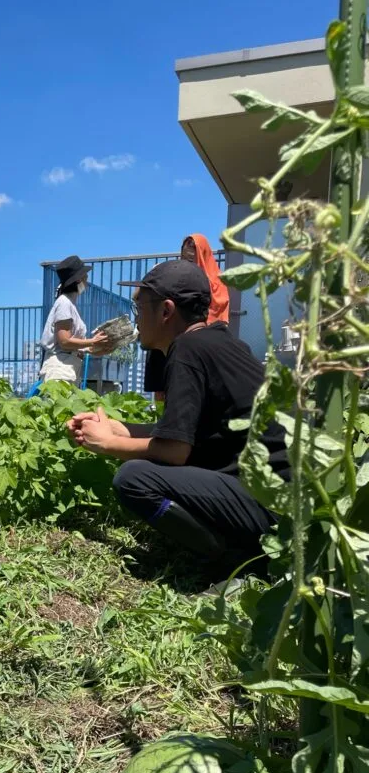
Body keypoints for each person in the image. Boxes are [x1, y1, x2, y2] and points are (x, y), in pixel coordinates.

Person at [68, 260, 289, 575]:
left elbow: (174, 451)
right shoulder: (217, 342)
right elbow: (183, 432)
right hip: (284, 496)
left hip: (271, 504)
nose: (136, 320)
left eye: (139, 309)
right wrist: (121, 428)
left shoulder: (186, 349)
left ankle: (239, 563)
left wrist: (108, 443)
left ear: (166, 311)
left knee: (133, 479)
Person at [143, 233, 231, 400]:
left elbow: (220, 322)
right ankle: (160, 416)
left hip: (198, 347)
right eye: (184, 257)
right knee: (162, 388)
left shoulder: (217, 284)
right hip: (169, 340)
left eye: (192, 259)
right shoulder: (172, 276)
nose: (188, 264)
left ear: (203, 255)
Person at [36, 255, 108, 387]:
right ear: (79, 280)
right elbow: (64, 341)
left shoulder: (69, 304)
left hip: (67, 368)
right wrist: (93, 341)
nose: (87, 281)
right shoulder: (64, 303)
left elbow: (72, 344)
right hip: (60, 370)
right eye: (85, 277)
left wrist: (98, 348)